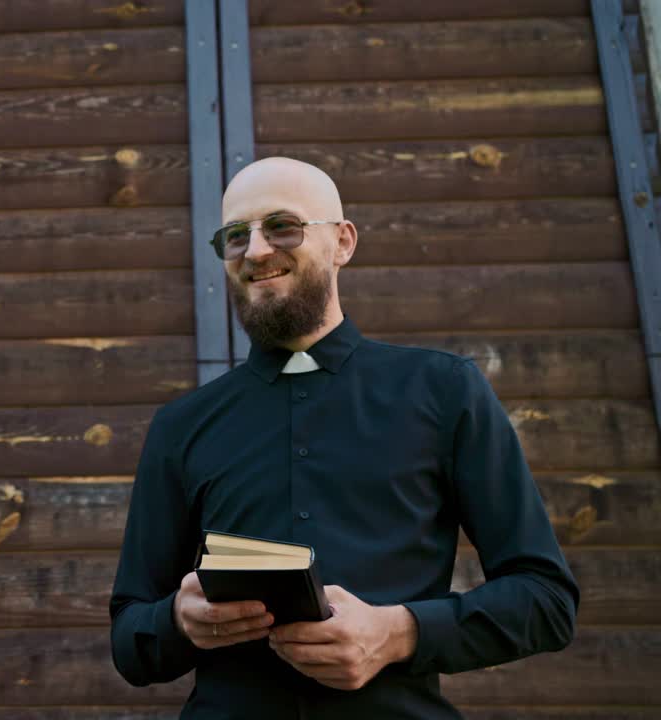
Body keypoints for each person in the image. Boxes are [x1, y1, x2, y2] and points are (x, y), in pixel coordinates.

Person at [109, 157, 578, 718]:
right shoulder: (181, 425)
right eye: (236, 236)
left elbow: (546, 600)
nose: (256, 251)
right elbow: (130, 640)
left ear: (343, 242)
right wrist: (177, 621)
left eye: (282, 226)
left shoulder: (445, 390)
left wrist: (400, 632)